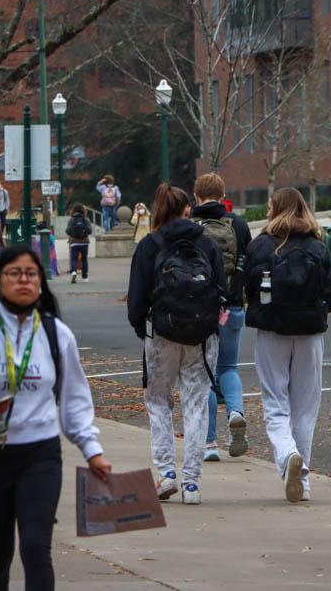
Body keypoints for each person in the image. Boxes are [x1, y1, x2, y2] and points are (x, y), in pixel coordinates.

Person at [0, 246, 111, 591]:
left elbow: (74, 400)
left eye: (31, 273)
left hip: (40, 456)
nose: (24, 280)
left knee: (36, 548)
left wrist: (92, 449)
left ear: (41, 283)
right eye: (14, 273)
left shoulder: (56, 334)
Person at [127, 184, 225, 505]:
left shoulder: (149, 245)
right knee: (195, 402)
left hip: (162, 332)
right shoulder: (206, 244)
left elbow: (136, 301)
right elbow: (221, 289)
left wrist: (144, 329)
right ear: (186, 209)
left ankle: (166, 473)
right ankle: (192, 482)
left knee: (158, 402)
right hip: (201, 334)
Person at [245, 188, 331, 503]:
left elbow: (249, 288)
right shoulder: (318, 245)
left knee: (275, 402)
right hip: (310, 331)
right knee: (305, 407)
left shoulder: (260, 246)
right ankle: (304, 478)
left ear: (275, 208)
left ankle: (288, 458)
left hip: (272, 329)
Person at [191, 173, 252, 462]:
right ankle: (236, 412)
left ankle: (210, 442)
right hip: (235, 307)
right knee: (229, 367)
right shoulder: (238, 224)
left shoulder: (191, 226)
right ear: (223, 193)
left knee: (205, 375)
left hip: (202, 309)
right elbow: (248, 264)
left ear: (196, 196)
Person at [65, 204, 92, 284]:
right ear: (83, 211)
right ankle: (85, 277)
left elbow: (68, 231)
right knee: (84, 259)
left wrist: (73, 234)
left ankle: (73, 272)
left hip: (74, 242)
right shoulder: (86, 219)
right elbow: (90, 230)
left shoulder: (71, 220)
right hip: (84, 242)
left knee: (74, 258)